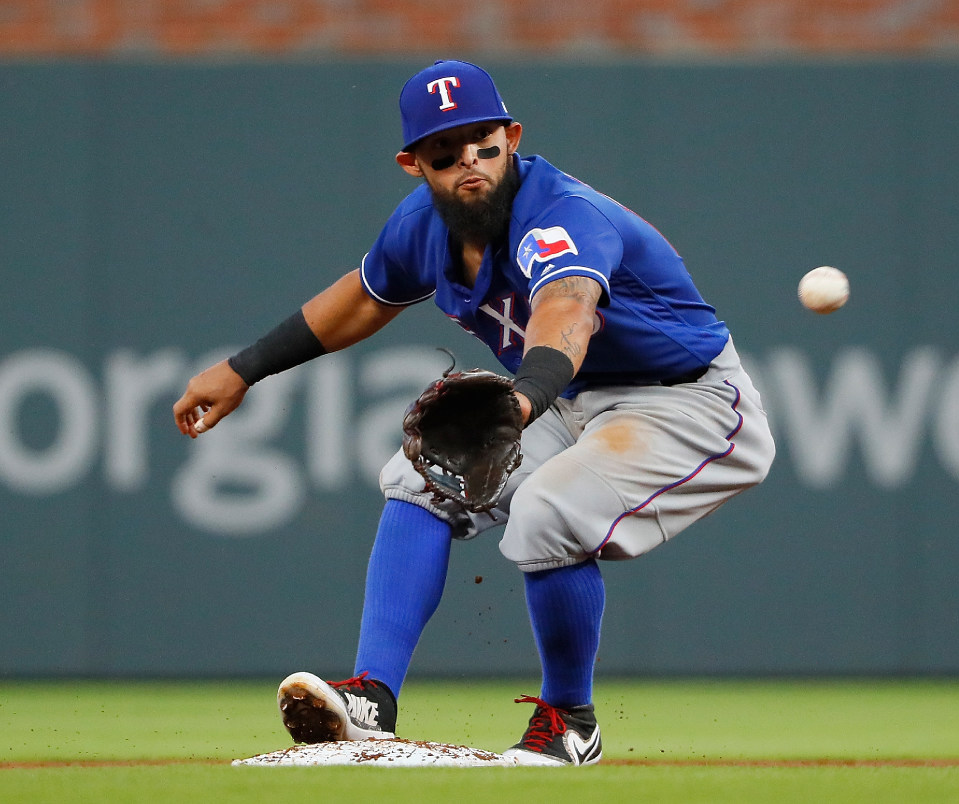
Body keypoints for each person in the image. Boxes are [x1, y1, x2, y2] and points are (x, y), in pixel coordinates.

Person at [172, 59, 775, 766]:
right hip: (572, 398)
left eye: (483, 141)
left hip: (687, 402)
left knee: (548, 510)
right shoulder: (423, 225)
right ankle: (370, 699)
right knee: (417, 478)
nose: (470, 161)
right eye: (445, 150)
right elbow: (365, 299)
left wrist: (522, 400)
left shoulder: (560, 216)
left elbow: (567, 312)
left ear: (511, 136)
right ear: (413, 163)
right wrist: (245, 368)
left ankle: (569, 722)